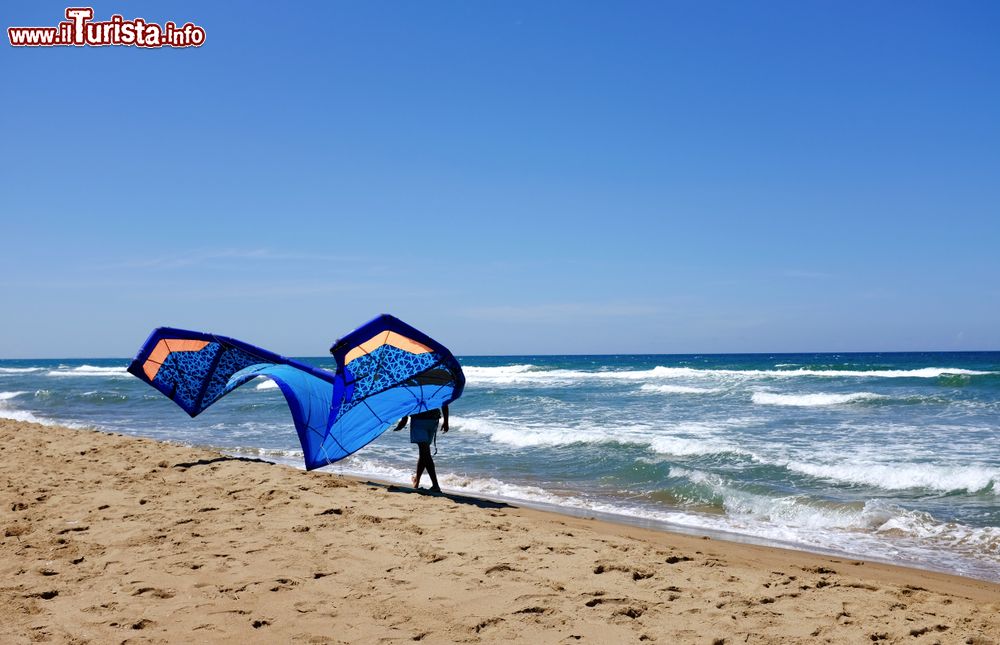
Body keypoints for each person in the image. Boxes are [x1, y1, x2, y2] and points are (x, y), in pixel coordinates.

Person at [392, 404, 449, 492]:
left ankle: (435, 485)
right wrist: (446, 421)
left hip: (419, 420)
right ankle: (417, 479)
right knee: (424, 452)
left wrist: (404, 419)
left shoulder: (414, 389)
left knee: (425, 453)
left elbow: (409, 400)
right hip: (433, 419)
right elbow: (444, 400)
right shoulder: (432, 389)